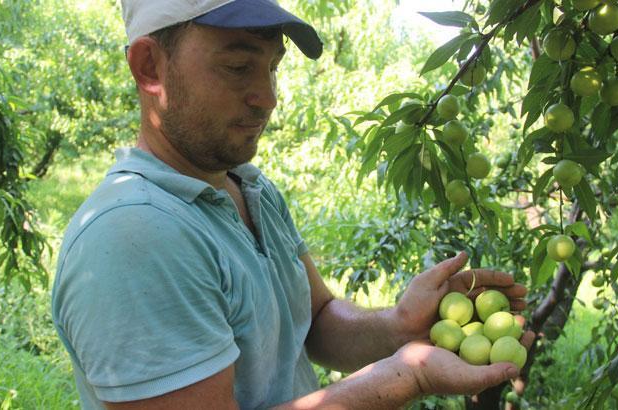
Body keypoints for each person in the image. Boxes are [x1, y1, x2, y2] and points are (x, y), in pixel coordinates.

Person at [51, 0, 534, 409]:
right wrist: (409, 377)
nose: (268, 98)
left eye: (272, 68)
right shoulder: (135, 235)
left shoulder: (248, 188)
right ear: (149, 67)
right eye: (238, 67)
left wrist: (399, 326)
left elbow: (315, 321)